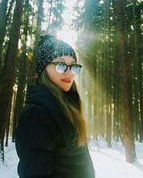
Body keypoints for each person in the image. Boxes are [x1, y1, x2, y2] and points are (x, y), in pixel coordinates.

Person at [15, 35, 95, 178]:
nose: (69, 72)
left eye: (73, 66)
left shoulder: (67, 107)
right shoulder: (37, 114)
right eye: (61, 65)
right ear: (43, 69)